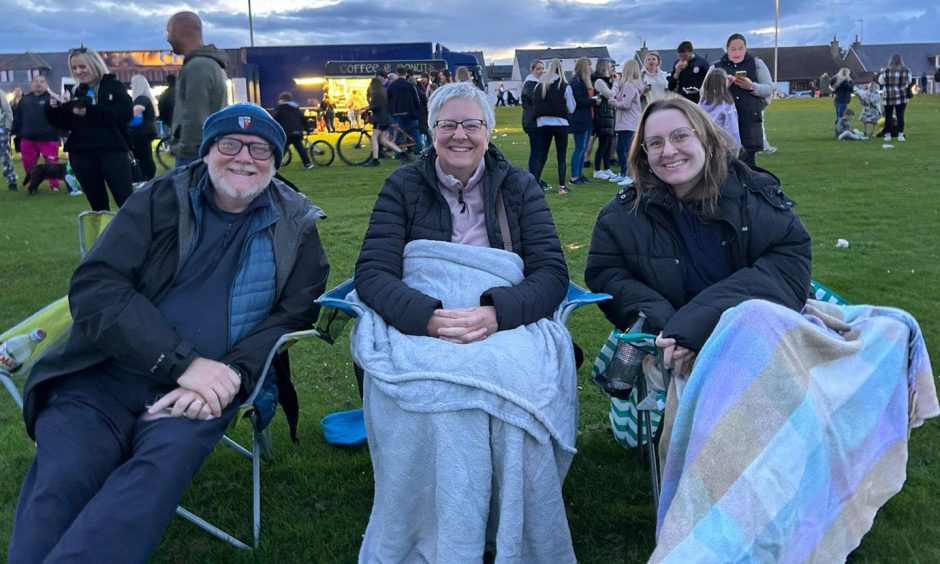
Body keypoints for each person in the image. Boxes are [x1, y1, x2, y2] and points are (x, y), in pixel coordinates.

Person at [8, 103, 330, 563]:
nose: (244, 158)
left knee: (154, 472)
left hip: (199, 395)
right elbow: (97, 288)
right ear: (206, 152)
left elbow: (294, 314)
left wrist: (231, 376)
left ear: (277, 162)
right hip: (100, 377)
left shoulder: (296, 224)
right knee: (66, 473)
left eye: (260, 149)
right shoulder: (160, 199)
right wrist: (183, 364)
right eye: (230, 144)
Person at [353, 81, 574, 562]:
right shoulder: (403, 186)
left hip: (501, 314)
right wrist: (427, 318)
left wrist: (498, 312)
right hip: (427, 312)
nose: (459, 135)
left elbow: (552, 274)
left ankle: (504, 518)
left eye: (471, 124)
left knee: (512, 380)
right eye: (447, 124)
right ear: (431, 130)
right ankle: (436, 526)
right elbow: (372, 272)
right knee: (429, 391)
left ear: (489, 131)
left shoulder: (519, 186)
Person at [585, 95, 811, 379]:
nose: (668, 151)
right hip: (668, 341)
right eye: (655, 143)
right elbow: (606, 273)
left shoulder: (751, 195)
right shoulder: (621, 214)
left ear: (704, 138)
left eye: (680, 136)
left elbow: (787, 265)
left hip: (756, 336)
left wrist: (698, 323)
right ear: (644, 154)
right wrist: (664, 322)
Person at [44, 47, 133, 210]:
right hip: (82, 153)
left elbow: (125, 113)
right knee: (97, 206)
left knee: (125, 201)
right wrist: (54, 110)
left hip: (112, 150)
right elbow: (66, 124)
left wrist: (90, 112)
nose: (78, 71)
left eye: (82, 66)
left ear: (94, 64)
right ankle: (104, 234)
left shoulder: (113, 86)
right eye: (75, 68)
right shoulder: (75, 91)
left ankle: (133, 234)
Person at [165, 11, 229, 167]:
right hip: (207, 149)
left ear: (177, 31)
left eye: (168, 32)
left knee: (191, 191)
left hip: (195, 154)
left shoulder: (197, 66)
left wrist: (185, 151)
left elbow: (194, 114)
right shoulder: (210, 64)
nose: (167, 39)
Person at [713, 33, 773, 168]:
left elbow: (769, 88)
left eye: (740, 48)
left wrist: (751, 86)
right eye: (733, 49)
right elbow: (706, 92)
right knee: (726, 164)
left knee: (749, 164)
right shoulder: (716, 68)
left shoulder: (757, 65)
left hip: (749, 121)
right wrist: (722, 87)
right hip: (724, 123)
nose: (737, 52)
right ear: (727, 49)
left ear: (746, 48)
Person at [13, 75, 75, 194]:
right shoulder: (25, 99)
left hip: (48, 137)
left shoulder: (52, 99)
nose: (38, 84)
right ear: (32, 84)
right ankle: (33, 183)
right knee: (29, 164)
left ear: (47, 84)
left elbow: (60, 117)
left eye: (42, 81)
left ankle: (54, 185)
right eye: (36, 81)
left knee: (52, 164)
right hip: (28, 137)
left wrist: (64, 134)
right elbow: (18, 117)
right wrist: (15, 132)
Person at [532, 58, 576, 195]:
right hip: (560, 123)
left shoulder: (540, 85)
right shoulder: (564, 85)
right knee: (561, 157)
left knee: (541, 156)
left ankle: (534, 185)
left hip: (543, 123)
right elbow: (571, 107)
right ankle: (562, 187)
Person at [608, 59, 644, 187]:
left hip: (628, 123)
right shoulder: (630, 84)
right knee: (620, 149)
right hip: (627, 122)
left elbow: (625, 104)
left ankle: (630, 175)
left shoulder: (630, 85)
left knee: (627, 150)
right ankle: (624, 173)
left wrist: (612, 103)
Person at [363, 77, 409, 167]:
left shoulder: (376, 94)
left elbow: (377, 106)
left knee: (374, 138)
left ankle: (375, 159)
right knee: (383, 140)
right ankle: (402, 153)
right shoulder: (382, 93)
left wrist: (368, 108)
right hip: (384, 118)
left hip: (379, 118)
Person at [568, 56, 598, 186]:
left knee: (583, 148)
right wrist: (593, 101)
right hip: (579, 119)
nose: (592, 67)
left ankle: (580, 174)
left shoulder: (585, 81)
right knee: (579, 148)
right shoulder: (576, 82)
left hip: (587, 118)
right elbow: (577, 101)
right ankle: (574, 176)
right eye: (589, 65)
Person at [698, 67, 741, 148]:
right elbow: (732, 127)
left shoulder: (702, 103)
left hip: (705, 142)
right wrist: (736, 146)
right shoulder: (726, 104)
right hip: (722, 145)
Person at [386, 66, 424, 153]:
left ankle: (398, 153)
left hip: (396, 114)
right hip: (410, 113)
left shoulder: (392, 86)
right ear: (405, 74)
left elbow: (388, 99)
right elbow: (416, 99)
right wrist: (417, 110)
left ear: (397, 74)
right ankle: (419, 151)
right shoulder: (410, 86)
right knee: (415, 132)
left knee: (398, 133)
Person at [129, 74, 159, 181]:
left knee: (143, 156)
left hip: (141, 132)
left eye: (132, 84)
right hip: (145, 131)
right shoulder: (147, 98)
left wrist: (123, 115)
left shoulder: (141, 98)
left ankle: (146, 176)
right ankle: (147, 176)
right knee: (145, 155)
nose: (131, 86)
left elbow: (138, 109)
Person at [591, 58, 618, 182]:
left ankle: (607, 168)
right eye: (610, 66)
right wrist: (616, 84)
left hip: (608, 114)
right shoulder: (599, 81)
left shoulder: (606, 81)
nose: (612, 68)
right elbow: (610, 94)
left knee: (608, 144)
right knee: (603, 144)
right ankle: (597, 170)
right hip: (602, 115)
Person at [521, 58, 546, 189]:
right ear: (532, 70)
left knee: (538, 151)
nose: (541, 71)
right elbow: (536, 101)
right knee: (536, 152)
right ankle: (534, 180)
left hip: (534, 121)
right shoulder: (530, 83)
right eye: (538, 69)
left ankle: (536, 178)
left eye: (542, 69)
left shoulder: (534, 83)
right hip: (532, 123)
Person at [273, 91, 314, 169]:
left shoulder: (280, 109)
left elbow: (275, 120)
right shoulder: (295, 108)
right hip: (298, 131)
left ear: (282, 100)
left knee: (282, 149)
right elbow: (303, 118)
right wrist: (308, 128)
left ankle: (275, 164)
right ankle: (308, 164)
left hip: (287, 132)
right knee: (300, 148)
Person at [879, 54, 911, 142]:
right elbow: (909, 81)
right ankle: (900, 135)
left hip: (888, 96)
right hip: (901, 96)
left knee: (888, 116)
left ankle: (888, 135)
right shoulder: (906, 71)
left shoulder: (885, 71)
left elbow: (880, 81)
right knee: (900, 116)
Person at [0, 87, 17, 191]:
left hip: (1, 129)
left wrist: (7, 128)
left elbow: (7, 110)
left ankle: (12, 181)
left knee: (5, 157)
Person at [157, 74, 176, 139]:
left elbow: (161, 106)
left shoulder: (165, 93)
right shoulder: (182, 91)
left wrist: (163, 118)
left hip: (170, 119)